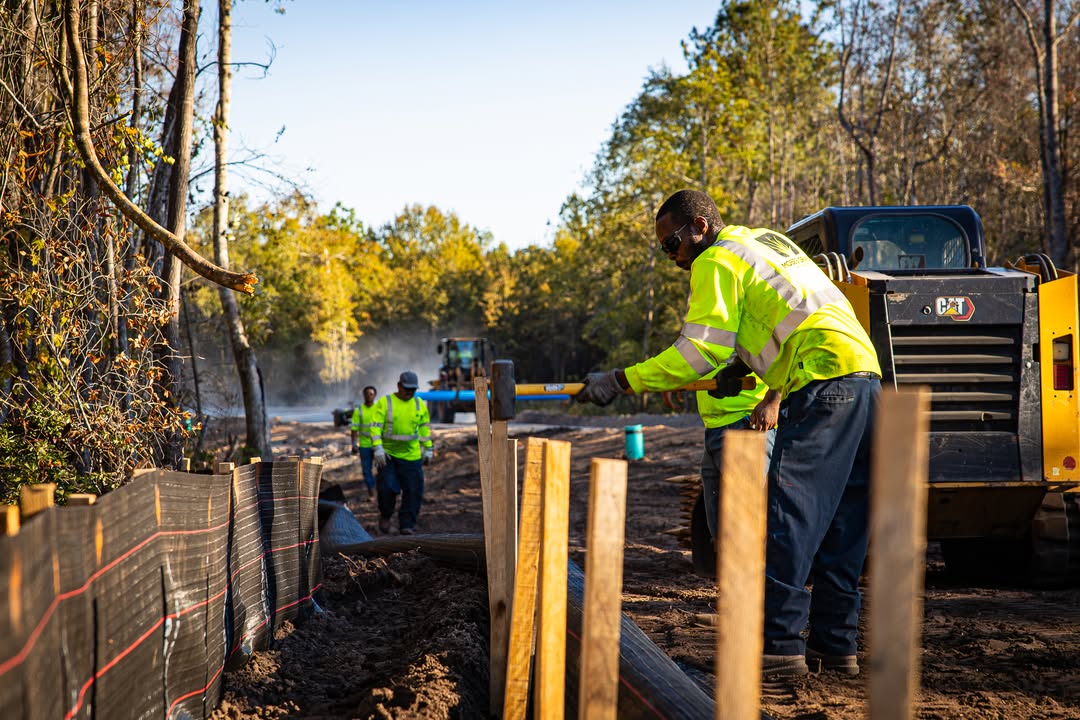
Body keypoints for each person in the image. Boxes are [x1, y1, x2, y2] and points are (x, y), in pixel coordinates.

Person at [577, 189, 881, 678]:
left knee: (790, 516)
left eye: (672, 243)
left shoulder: (715, 259)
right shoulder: (764, 242)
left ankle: (778, 650)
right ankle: (835, 647)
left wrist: (620, 381)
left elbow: (696, 352)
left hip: (821, 379)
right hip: (863, 375)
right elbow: (788, 317)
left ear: (699, 226)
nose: (672, 256)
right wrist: (743, 362)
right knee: (843, 524)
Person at [371, 371, 434, 535]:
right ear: (399, 386)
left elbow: (424, 428)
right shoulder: (385, 402)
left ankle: (407, 525)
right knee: (387, 489)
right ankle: (385, 516)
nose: (409, 393)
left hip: (412, 456)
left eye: (413, 390)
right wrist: (378, 448)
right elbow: (375, 427)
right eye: (407, 389)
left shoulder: (419, 404)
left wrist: (428, 448)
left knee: (413, 491)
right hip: (388, 456)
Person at [350, 385, 379, 500]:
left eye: (371, 394)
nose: (369, 396)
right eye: (367, 394)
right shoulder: (359, 410)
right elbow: (354, 429)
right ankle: (372, 494)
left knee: (383, 470)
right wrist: (354, 444)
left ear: (375, 395)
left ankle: (383, 492)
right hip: (365, 446)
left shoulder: (379, 409)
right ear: (363, 395)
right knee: (367, 472)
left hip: (378, 445)